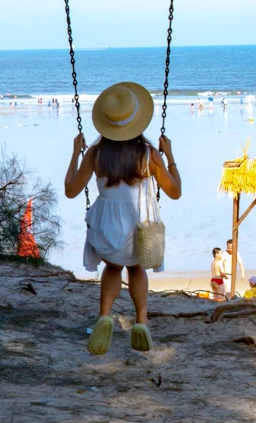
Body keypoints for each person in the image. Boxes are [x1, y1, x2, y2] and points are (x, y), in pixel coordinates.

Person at [65, 81, 181, 355]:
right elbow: (175, 192)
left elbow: (71, 190)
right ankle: (141, 320)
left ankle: (105, 314)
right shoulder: (148, 155)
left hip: (106, 230)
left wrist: (74, 153)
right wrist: (170, 155)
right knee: (136, 268)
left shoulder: (95, 154)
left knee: (114, 267)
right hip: (139, 230)